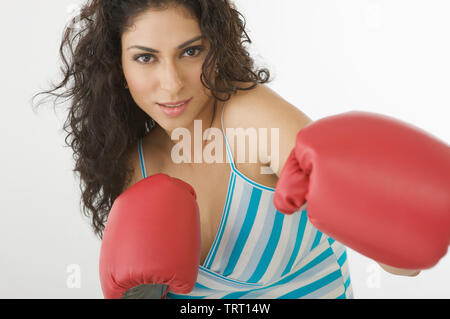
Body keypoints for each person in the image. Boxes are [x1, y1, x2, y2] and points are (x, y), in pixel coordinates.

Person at [34, 0, 446, 299]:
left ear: (216, 47)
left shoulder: (251, 119)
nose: (172, 82)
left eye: (190, 51)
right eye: (146, 58)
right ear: (116, 65)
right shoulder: (132, 165)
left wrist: (387, 218)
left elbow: (403, 263)